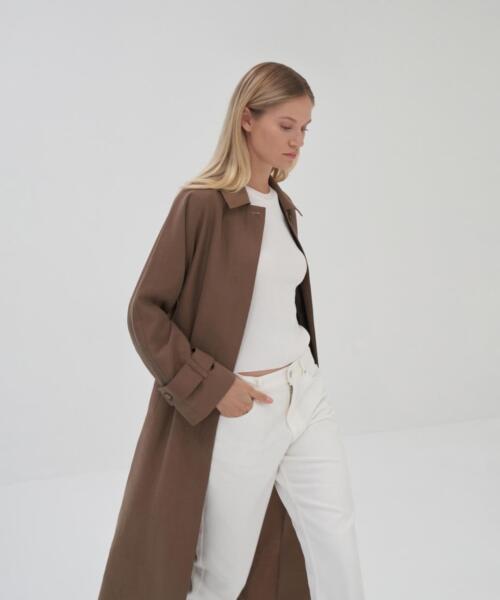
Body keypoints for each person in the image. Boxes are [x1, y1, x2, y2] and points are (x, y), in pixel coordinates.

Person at [98, 62, 366, 600]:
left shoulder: (283, 207)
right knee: (222, 573)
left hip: (304, 394)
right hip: (245, 406)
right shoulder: (201, 204)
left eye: (305, 129)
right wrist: (213, 385)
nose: (297, 140)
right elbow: (146, 311)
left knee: (335, 539)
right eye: (286, 125)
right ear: (247, 118)